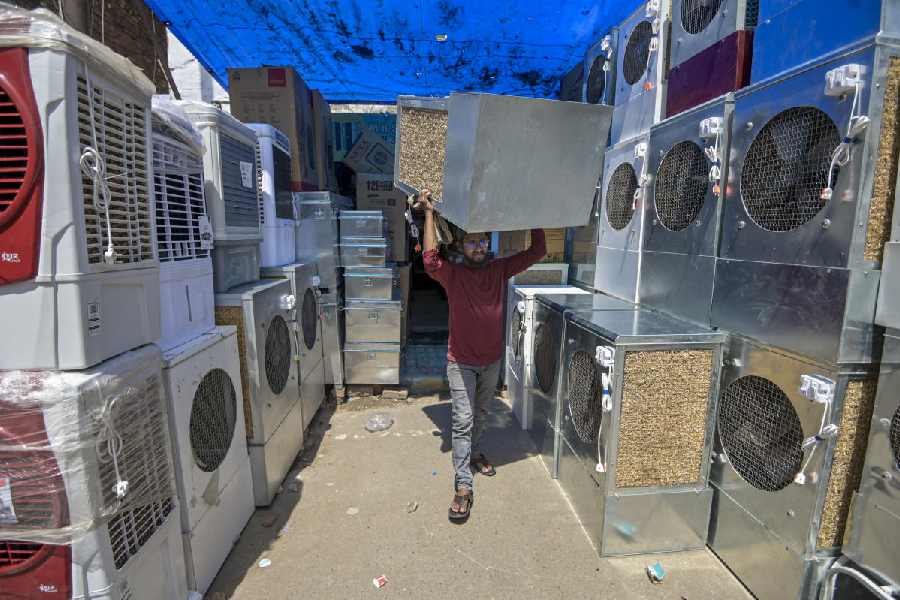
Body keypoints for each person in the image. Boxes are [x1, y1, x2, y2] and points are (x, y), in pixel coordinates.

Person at [414, 190, 546, 522]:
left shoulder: (500, 270)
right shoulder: (454, 274)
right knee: (462, 420)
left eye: (484, 241)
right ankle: (462, 485)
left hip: (491, 361)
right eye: (472, 242)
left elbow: (539, 250)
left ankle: (473, 453)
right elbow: (430, 261)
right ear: (461, 246)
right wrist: (429, 212)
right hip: (460, 361)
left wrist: (535, 214)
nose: (479, 246)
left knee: (481, 413)